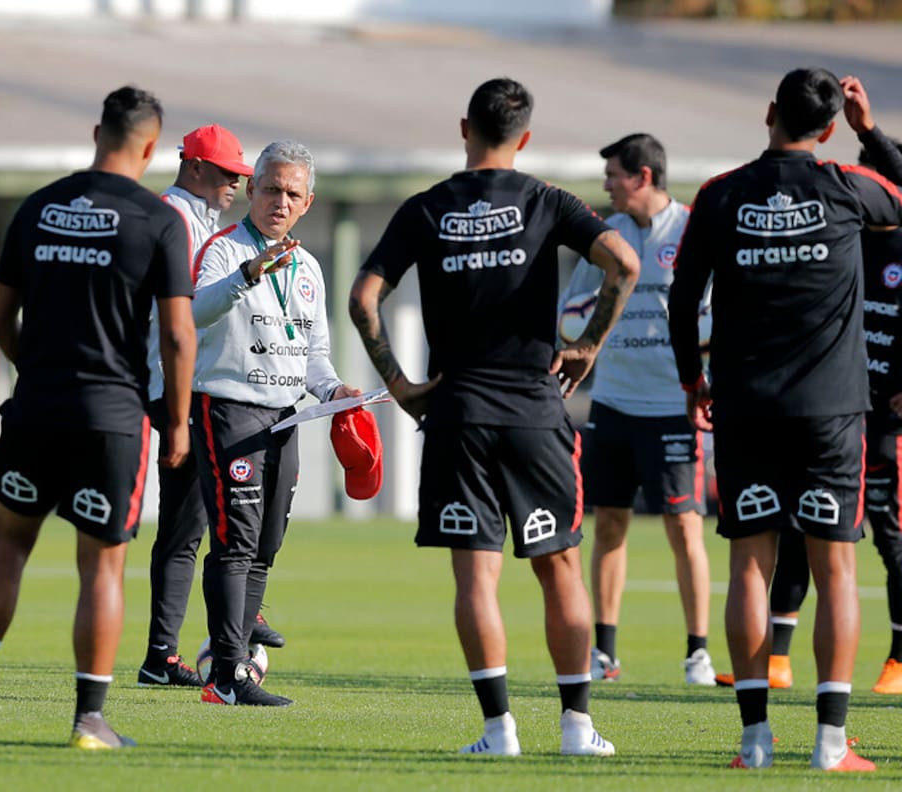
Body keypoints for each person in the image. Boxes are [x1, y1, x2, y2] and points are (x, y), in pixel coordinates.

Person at [350, 77, 640, 757]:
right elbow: (623, 264)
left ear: (464, 129)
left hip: (457, 415)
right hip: (535, 413)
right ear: (525, 138)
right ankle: (575, 729)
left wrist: (398, 382)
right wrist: (588, 345)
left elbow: (366, 299)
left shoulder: (427, 208)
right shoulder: (545, 200)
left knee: (475, 577)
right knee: (559, 569)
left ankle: (497, 731)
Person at [0, 85, 196, 749]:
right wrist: (177, 420)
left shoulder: (39, 207)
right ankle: (89, 719)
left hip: (35, 408)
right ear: (149, 147)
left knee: (3, 546)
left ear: (96, 133)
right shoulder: (159, 220)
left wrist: (34, 369)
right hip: (111, 418)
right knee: (102, 569)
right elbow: (177, 336)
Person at [668, 67, 902, 772]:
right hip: (832, 411)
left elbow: (682, 299)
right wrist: (871, 133)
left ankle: (754, 742)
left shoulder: (720, 193)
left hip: (745, 406)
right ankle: (831, 744)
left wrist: (692, 381)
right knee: (836, 571)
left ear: (768, 112)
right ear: (828, 128)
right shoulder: (848, 184)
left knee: (749, 564)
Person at [191, 139, 361, 706]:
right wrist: (246, 273)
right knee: (234, 543)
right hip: (228, 408)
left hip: (285, 417)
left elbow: (314, 356)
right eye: (270, 189)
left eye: (292, 193)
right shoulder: (222, 249)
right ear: (251, 191)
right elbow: (193, 310)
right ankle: (227, 675)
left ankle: (233, 666)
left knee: (266, 544)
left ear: (308, 202)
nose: (280, 201)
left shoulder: (309, 268)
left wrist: (336, 390)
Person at [559, 133, 715, 686]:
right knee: (609, 528)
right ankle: (604, 652)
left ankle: (698, 653)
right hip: (613, 403)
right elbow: (572, 310)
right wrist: (576, 333)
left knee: (684, 528)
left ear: (643, 177)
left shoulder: (694, 227)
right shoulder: (608, 235)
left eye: (614, 175)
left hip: (674, 405)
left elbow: (716, 308)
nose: (606, 185)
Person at [139, 125, 284, 690]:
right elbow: (178, 312)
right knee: (217, 513)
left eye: (240, 176)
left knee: (185, 522)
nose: (235, 184)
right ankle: (242, 614)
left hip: (173, 380)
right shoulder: (172, 216)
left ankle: (160, 655)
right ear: (193, 166)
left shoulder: (198, 221)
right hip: (170, 381)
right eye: (228, 174)